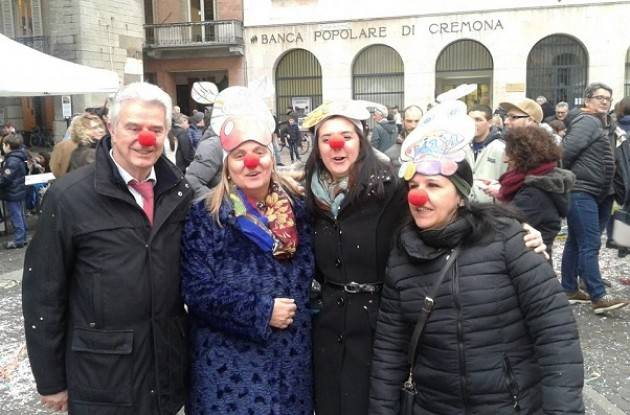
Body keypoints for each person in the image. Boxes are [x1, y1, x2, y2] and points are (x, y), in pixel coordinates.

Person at [301, 100, 549, 415]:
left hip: (379, 321)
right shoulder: (308, 197)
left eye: (347, 136)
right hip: (329, 329)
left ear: (361, 141)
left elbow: (440, 210)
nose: (337, 144)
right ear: (317, 147)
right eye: (327, 138)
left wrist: (515, 229)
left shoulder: (392, 187)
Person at [368, 101, 584, 414]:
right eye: (413, 186)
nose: (418, 196)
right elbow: (390, 351)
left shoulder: (509, 238)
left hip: (511, 406)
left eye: (433, 185)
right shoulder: (402, 256)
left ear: (460, 194)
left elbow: (556, 334)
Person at [22, 82, 193, 414]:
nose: (145, 138)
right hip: (101, 377)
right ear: (111, 128)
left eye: (155, 129)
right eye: (133, 127)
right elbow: (43, 292)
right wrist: (50, 379)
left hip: (164, 370)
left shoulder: (178, 192)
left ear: (166, 135)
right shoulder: (69, 196)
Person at [180, 115, 313, 415]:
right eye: (239, 155)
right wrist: (262, 312)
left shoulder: (298, 210)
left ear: (271, 157)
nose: (251, 163)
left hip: (290, 367)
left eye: (259, 153)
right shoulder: (206, 216)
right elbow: (196, 290)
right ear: (227, 164)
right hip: (229, 371)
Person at [561, 82, 628, 313]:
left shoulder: (606, 123)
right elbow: (564, 154)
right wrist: (572, 179)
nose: (604, 101)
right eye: (599, 97)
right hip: (583, 190)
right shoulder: (587, 121)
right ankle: (598, 295)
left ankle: (569, 288)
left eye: (608, 98)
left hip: (602, 192)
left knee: (575, 241)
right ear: (587, 100)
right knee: (590, 244)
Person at [493, 126, 575, 260]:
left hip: (528, 263)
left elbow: (503, 228)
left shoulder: (534, 193)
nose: (505, 159)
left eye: (509, 152)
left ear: (525, 156)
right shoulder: (542, 182)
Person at [465, 104, 507, 203]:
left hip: (492, 209)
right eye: (470, 120)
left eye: (478, 120)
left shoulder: (501, 148)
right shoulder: (463, 147)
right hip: (468, 206)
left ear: (490, 123)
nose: (473, 124)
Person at [0, 133, 28, 249]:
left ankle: (19, 240)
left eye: (3, 145)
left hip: (13, 193)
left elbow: (5, 178)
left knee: (16, 216)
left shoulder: (12, 160)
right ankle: (23, 237)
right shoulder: (19, 157)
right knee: (20, 215)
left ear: (8, 146)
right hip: (19, 191)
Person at [385, 104, 423, 170]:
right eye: (409, 121)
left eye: (417, 121)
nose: (413, 125)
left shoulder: (435, 152)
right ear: (403, 122)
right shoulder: (390, 155)